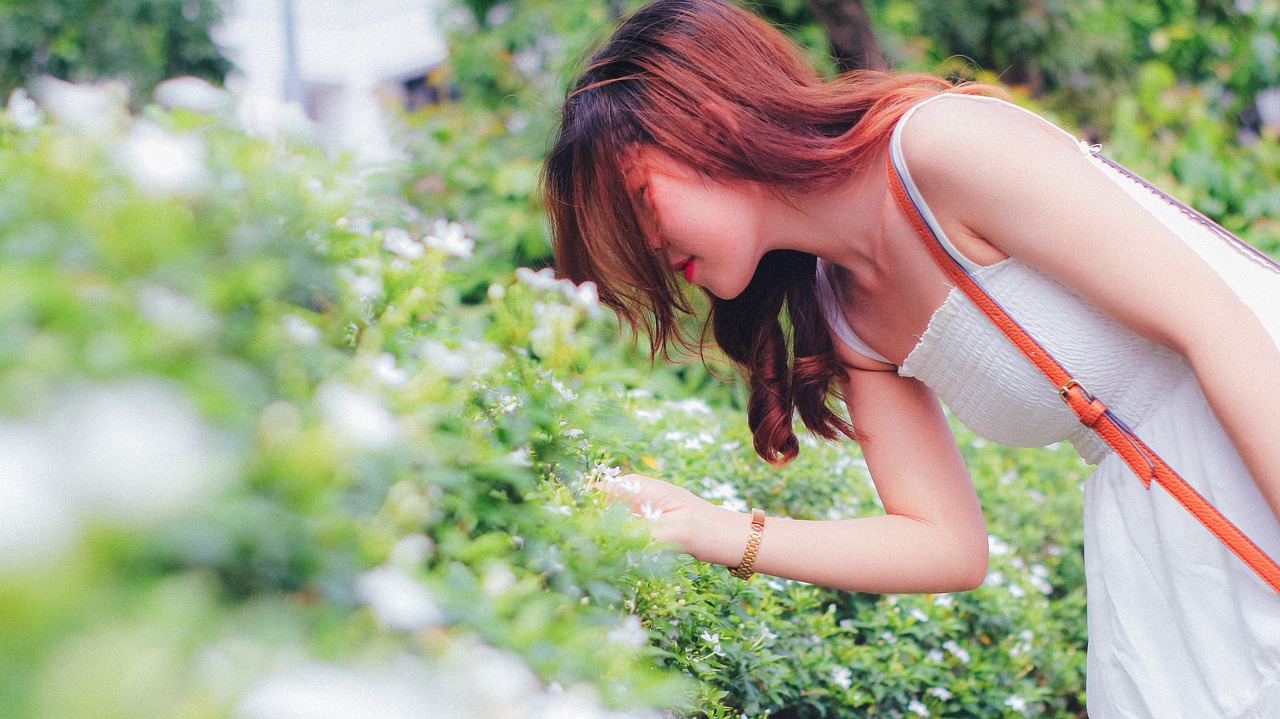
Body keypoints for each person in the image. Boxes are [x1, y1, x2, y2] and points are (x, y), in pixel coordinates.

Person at [541, 0, 1280, 715]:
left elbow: (1223, 327)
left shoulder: (940, 150)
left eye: (639, 198)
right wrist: (702, 526)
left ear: (710, 127)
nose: (648, 247)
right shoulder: (848, 311)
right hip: (1175, 522)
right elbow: (945, 546)